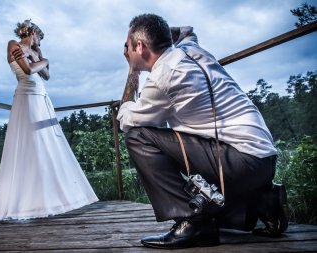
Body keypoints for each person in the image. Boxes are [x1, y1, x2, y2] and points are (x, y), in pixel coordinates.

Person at [117, 13, 289, 249]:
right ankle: (263, 200)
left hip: (239, 162)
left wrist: (132, 72)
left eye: (127, 45)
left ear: (140, 46)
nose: (125, 51)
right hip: (264, 160)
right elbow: (186, 30)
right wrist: (155, 31)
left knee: (138, 136)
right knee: (224, 213)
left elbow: (126, 120)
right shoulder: (190, 49)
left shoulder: (163, 76)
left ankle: (193, 221)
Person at [0, 20, 98, 221]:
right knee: (30, 143)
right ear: (32, 32)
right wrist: (39, 60)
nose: (40, 41)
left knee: (47, 142)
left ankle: (53, 198)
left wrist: (41, 59)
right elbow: (28, 71)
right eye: (39, 37)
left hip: (41, 95)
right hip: (26, 95)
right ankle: (27, 203)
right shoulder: (13, 44)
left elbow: (46, 75)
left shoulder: (38, 53)